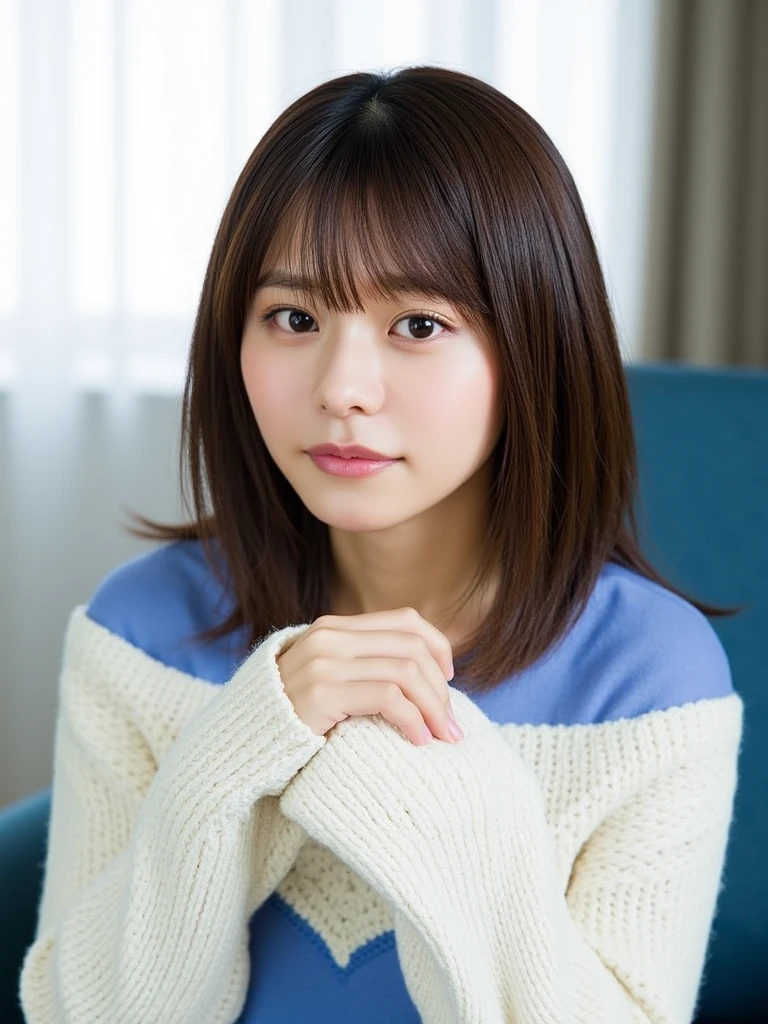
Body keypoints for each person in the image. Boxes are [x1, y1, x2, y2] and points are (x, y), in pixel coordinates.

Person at [19, 65, 744, 1024]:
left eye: (417, 324)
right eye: (294, 317)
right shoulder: (141, 629)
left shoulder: (652, 675)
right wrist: (245, 741)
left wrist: (446, 788)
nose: (342, 386)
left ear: (535, 345)